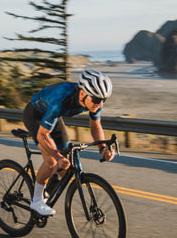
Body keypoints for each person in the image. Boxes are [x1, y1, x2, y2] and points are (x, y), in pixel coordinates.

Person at [22, 68, 114, 216]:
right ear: (83, 93)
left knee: (67, 167)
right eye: (97, 100)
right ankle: (36, 201)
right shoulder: (61, 99)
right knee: (52, 161)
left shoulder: (94, 101)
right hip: (35, 116)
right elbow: (42, 135)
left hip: (54, 117)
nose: (100, 104)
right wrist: (57, 156)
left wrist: (103, 147)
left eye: (104, 100)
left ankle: (47, 191)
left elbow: (95, 126)